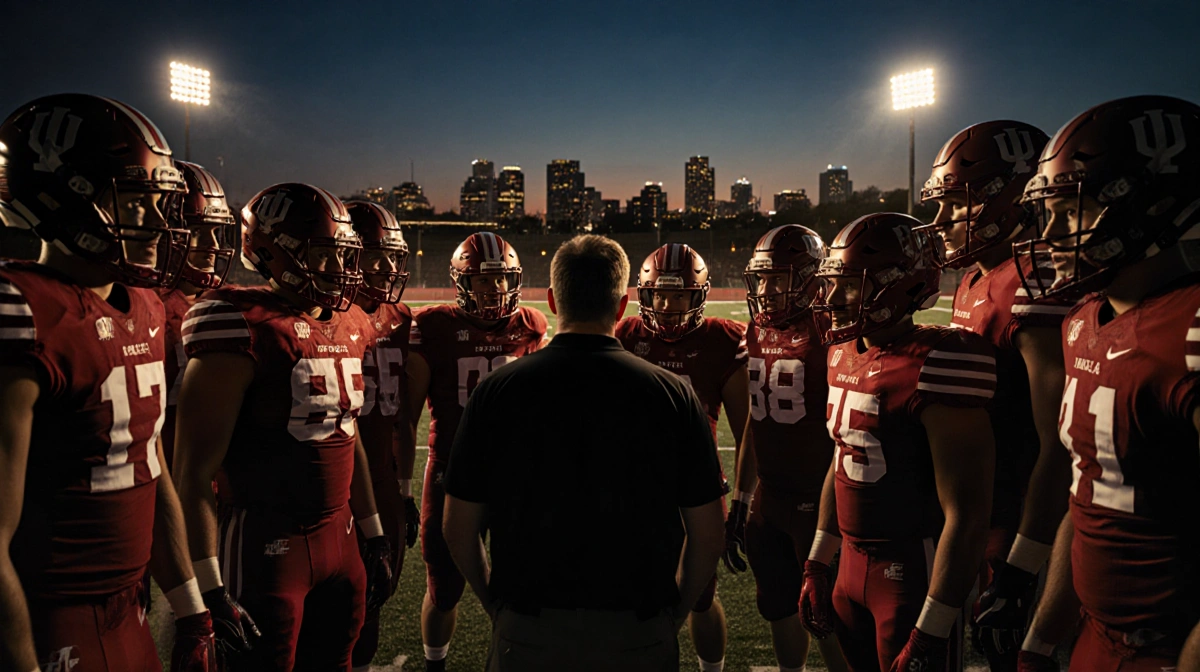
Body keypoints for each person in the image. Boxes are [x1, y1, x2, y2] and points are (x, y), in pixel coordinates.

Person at [0, 94, 218, 672]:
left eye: (156, 202)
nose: (154, 222)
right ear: (63, 194)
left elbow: (150, 463)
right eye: (133, 201)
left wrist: (191, 610)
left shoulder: (144, 305)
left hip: (131, 611)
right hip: (51, 620)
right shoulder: (22, 312)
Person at [441, 234, 726, 672]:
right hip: (638, 630)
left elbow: (457, 526)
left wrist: (497, 607)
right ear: (622, 305)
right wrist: (676, 613)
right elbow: (707, 531)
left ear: (553, 300)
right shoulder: (673, 395)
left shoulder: (495, 391)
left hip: (528, 627)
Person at [1013, 95, 1200, 672]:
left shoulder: (1189, 331)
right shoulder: (1082, 321)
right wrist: (1044, 635)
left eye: (1071, 211)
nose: (1048, 234)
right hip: (1093, 639)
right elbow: (1088, 492)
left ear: (1147, 206)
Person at [174, 183, 392, 671]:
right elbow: (191, 471)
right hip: (265, 547)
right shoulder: (240, 322)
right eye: (323, 255)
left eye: (344, 255)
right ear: (271, 253)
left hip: (342, 536)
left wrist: (373, 532)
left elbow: (346, 431)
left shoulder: (351, 322)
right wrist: (208, 585)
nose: (340, 269)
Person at [800, 213, 996, 672]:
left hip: (911, 570)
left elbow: (967, 511)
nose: (832, 298)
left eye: (849, 285)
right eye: (833, 283)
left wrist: (934, 623)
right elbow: (841, 456)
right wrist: (817, 560)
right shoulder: (840, 353)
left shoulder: (939, 361)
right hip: (848, 564)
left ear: (898, 286)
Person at [919, 121, 1073, 671]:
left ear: (1007, 200)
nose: (941, 223)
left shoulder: (1035, 283)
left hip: (1026, 522)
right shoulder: (974, 279)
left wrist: (1023, 565)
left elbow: (1061, 447)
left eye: (955, 206)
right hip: (982, 513)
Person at [402, 231, 548, 672]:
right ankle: (435, 664)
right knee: (443, 586)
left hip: (514, 474)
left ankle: (516, 656)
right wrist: (400, 486)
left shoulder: (532, 325)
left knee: (519, 580)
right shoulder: (432, 326)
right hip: (452, 469)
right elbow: (407, 416)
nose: (494, 289)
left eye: (501, 279)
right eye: (483, 281)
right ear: (462, 282)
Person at [615, 243, 749, 672]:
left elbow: (748, 430)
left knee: (701, 595)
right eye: (660, 295)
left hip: (697, 484)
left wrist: (745, 498)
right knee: (629, 589)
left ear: (700, 296)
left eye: (680, 295)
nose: (669, 305)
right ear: (645, 295)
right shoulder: (626, 335)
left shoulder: (722, 340)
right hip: (635, 487)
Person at [730, 224, 833, 672]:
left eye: (780, 278)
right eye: (763, 278)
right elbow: (757, 415)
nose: (767, 290)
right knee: (777, 609)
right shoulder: (755, 329)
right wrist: (741, 496)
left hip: (819, 499)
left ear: (811, 278)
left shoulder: (833, 329)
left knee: (829, 617)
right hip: (770, 500)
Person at [344, 200, 418, 671]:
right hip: (340, 482)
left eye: (393, 255)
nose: (388, 267)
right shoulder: (327, 315)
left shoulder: (400, 317)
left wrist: (406, 489)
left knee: (379, 591)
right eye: (376, 255)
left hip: (386, 480)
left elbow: (405, 418)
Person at [160, 160, 238, 469]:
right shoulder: (141, 308)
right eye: (197, 231)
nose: (212, 245)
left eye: (216, 231)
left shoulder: (229, 305)